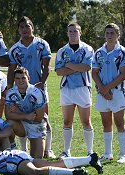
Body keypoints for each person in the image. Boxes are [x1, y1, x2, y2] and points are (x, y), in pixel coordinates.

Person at [0, 132, 103, 175]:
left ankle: (75, 172)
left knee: (34, 172)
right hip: (14, 156)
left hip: (12, 160)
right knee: (53, 164)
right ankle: (90, 159)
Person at [7, 16, 54, 158]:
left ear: (32, 28)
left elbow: (46, 66)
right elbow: (11, 69)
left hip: (38, 88)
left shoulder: (42, 44)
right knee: (21, 116)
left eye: (27, 26)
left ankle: (48, 149)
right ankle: (23, 149)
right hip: (21, 89)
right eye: (21, 27)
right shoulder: (15, 48)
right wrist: (10, 86)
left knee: (44, 117)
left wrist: (42, 82)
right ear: (18, 30)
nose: (25, 29)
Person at [92, 23, 125, 164]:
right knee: (106, 123)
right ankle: (108, 153)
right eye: (107, 33)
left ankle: (123, 154)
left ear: (118, 35)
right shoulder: (98, 52)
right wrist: (103, 90)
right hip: (102, 94)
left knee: (120, 122)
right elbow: (94, 72)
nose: (109, 36)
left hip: (117, 93)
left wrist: (106, 88)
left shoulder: (123, 52)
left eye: (112, 33)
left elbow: (124, 74)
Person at [55, 23, 94, 158]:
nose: (72, 33)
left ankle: (90, 151)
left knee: (86, 121)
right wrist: (77, 67)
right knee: (67, 121)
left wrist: (69, 65)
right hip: (66, 89)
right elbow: (59, 72)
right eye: (70, 31)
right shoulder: (62, 51)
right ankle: (67, 151)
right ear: (67, 33)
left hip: (83, 88)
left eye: (75, 31)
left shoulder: (87, 49)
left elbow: (87, 67)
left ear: (80, 33)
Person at [5, 67, 50, 158]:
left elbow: (38, 118)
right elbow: (8, 115)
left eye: (23, 78)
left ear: (28, 78)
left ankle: (43, 149)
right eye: (17, 78)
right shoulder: (10, 93)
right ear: (14, 79)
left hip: (36, 126)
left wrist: (17, 112)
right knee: (8, 124)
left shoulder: (37, 93)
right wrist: (26, 115)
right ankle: (13, 148)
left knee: (35, 159)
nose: (20, 81)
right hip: (22, 124)